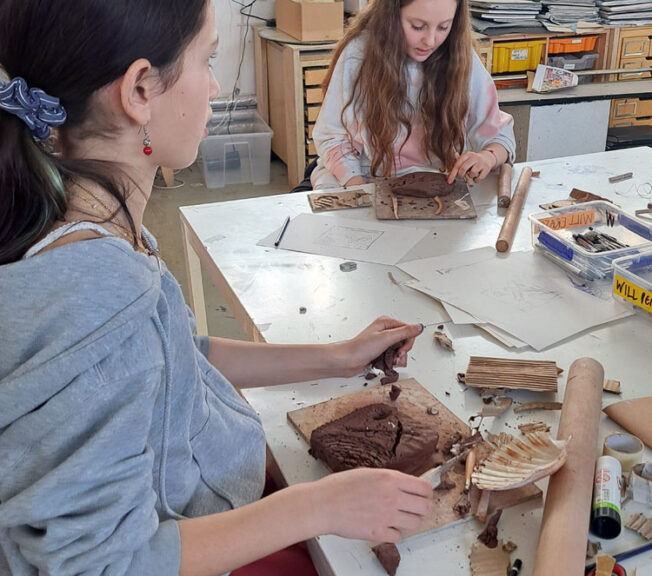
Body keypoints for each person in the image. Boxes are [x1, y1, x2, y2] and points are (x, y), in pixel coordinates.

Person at [0, 1, 435, 575]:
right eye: (207, 60)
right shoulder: (95, 290)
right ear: (138, 91)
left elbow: (175, 356)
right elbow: (103, 565)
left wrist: (335, 357)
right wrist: (320, 505)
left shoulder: (85, 217)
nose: (214, 85)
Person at [310, 0, 516, 190]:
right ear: (391, 15)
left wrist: (487, 158)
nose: (430, 40)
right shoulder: (358, 54)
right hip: (361, 176)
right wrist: (359, 189)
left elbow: (500, 137)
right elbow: (331, 137)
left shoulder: (459, 56)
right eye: (418, 26)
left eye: (444, 26)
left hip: (432, 179)